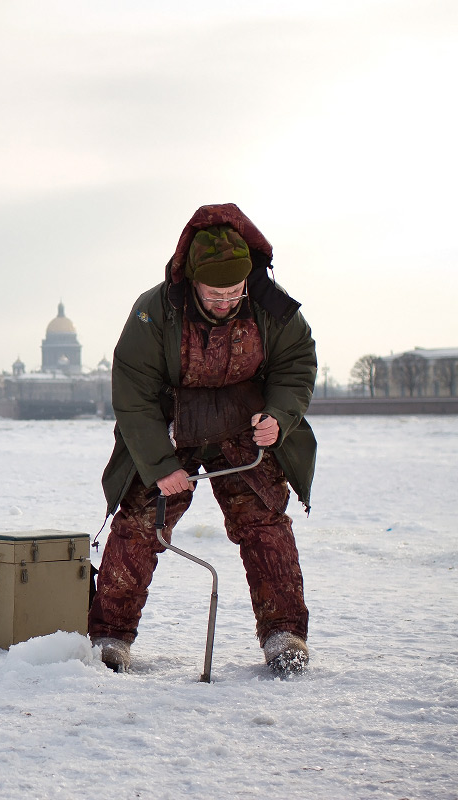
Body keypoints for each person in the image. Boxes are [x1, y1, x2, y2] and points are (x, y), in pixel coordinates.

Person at [89, 203, 317, 677]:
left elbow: (297, 363)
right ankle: (109, 639)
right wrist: (159, 464)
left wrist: (279, 417)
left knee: (265, 524)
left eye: (235, 292)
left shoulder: (272, 306)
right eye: (215, 294)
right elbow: (132, 394)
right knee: (137, 524)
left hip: (245, 427)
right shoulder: (153, 312)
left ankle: (285, 636)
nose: (225, 302)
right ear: (192, 281)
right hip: (173, 430)